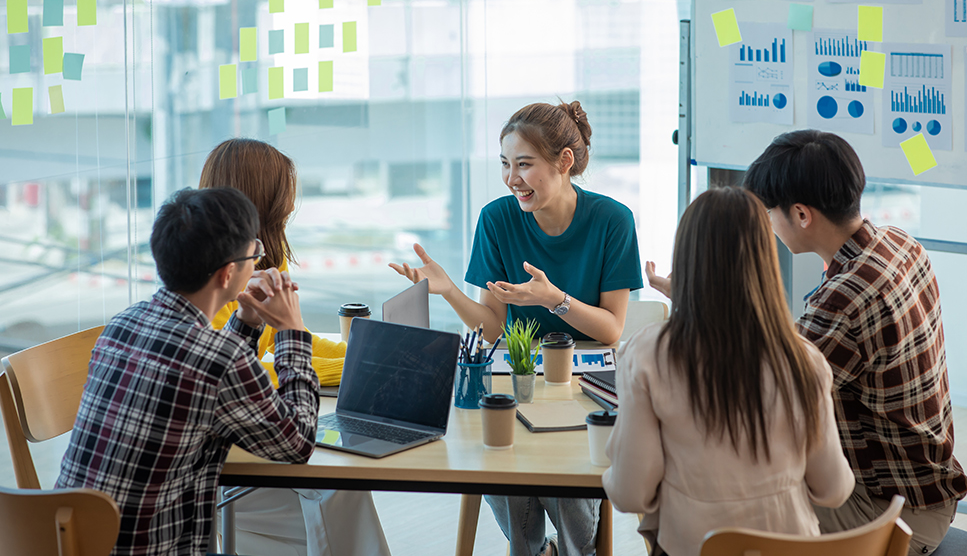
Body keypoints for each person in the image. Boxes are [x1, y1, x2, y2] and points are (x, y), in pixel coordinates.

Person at [391, 100, 643, 556]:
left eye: (524, 164)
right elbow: (491, 327)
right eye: (505, 164)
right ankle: (534, 550)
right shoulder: (497, 219)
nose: (512, 178)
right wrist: (449, 290)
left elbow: (610, 329)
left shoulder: (612, 220)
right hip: (518, 378)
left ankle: (570, 549)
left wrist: (554, 299)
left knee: (564, 493)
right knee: (497, 458)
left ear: (564, 162)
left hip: (582, 385)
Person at [724, 129, 965, 554]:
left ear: (801, 214)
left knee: (728, 503)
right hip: (927, 490)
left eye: (768, 213)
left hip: (893, 515)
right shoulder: (900, 244)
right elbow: (798, 350)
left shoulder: (842, 298)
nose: (768, 225)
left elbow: (765, 398)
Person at [55, 187, 319, 556]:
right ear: (229, 273)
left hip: (70, 542)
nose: (258, 261)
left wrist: (246, 319)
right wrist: (293, 333)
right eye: (253, 253)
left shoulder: (122, 324)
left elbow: (207, 381)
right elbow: (297, 444)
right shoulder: (218, 360)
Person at [604, 187, 854, 556]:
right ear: (765, 263)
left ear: (687, 260)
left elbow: (630, 494)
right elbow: (834, 489)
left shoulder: (648, 354)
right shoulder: (804, 358)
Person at [199, 138, 391, 556]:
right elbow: (282, 420)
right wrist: (347, 365)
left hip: (221, 450)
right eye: (284, 195)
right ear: (260, 202)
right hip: (216, 476)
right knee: (337, 483)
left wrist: (360, 352)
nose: (291, 205)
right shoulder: (211, 288)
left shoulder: (260, 262)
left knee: (342, 478)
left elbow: (251, 357)